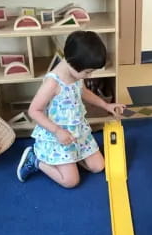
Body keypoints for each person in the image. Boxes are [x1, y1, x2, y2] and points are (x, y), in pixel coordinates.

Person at [17, 30, 125, 188]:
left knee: (98, 166)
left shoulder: (75, 74)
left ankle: (73, 158)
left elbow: (83, 92)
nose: (89, 76)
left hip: (77, 132)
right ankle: (35, 160)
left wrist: (106, 105)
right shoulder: (53, 83)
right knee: (71, 181)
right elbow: (34, 111)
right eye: (88, 72)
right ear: (73, 62)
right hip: (57, 136)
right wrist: (57, 131)